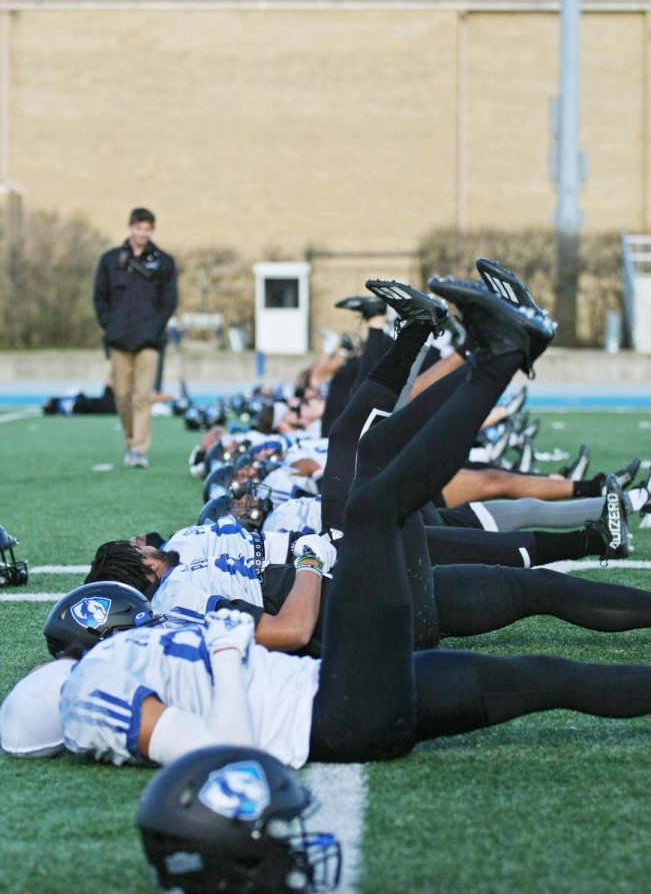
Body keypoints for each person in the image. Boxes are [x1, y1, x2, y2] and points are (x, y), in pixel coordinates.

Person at [10, 273, 651, 772]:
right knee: (376, 481)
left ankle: (485, 353)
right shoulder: (109, 676)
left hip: (342, 675)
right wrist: (301, 572)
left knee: (546, 669)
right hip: (340, 693)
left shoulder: (150, 630)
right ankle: (492, 356)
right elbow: (241, 714)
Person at [93, 206, 177, 469]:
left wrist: (154, 329)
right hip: (118, 339)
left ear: (152, 230)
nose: (142, 233)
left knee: (142, 396)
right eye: (138, 227)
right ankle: (130, 441)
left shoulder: (164, 262)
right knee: (122, 396)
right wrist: (109, 326)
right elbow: (99, 297)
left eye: (147, 229)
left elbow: (169, 301)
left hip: (149, 341)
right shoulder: (110, 260)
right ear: (130, 227)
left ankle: (139, 450)